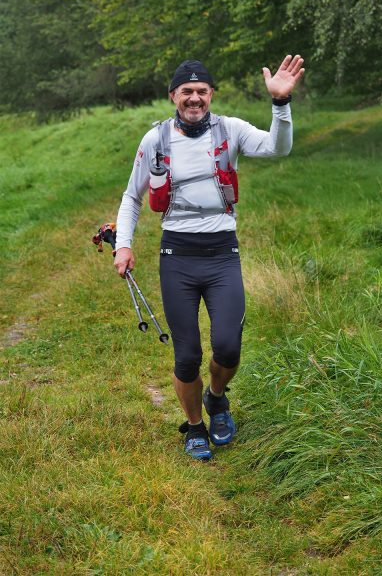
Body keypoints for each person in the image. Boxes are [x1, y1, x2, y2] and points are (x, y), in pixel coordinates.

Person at [114, 56, 305, 460]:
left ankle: (216, 398)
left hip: (222, 254)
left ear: (211, 94)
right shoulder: (156, 141)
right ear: (173, 96)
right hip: (177, 256)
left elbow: (278, 148)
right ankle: (195, 426)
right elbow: (132, 197)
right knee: (186, 356)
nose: (195, 98)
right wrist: (124, 245)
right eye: (187, 92)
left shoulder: (231, 130)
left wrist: (280, 105)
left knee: (228, 347)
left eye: (202, 91)